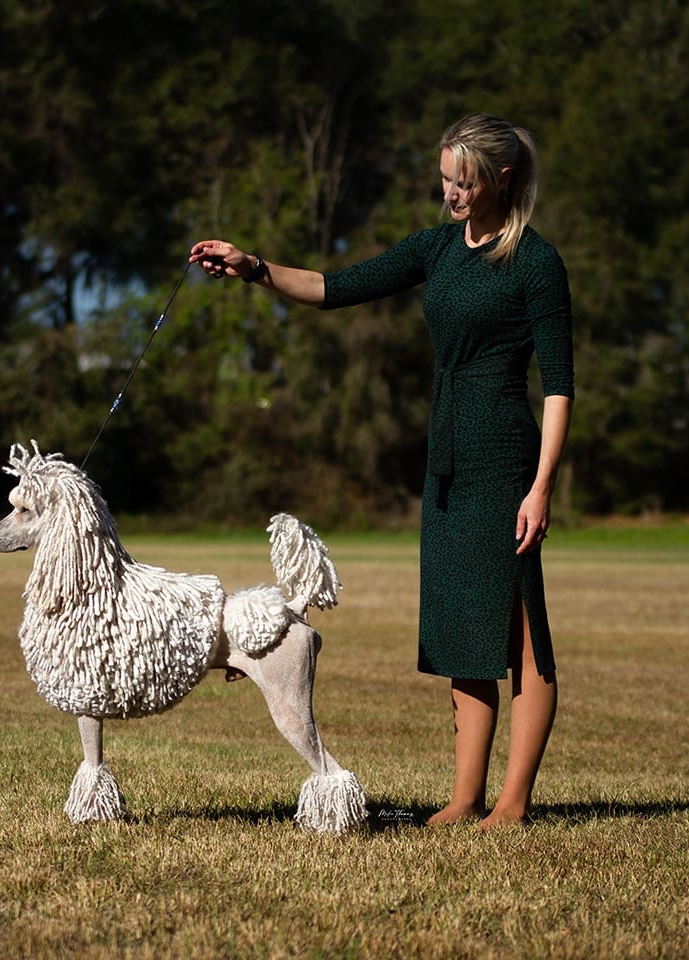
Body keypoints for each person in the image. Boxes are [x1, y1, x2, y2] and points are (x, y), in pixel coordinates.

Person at [189, 112, 573, 830]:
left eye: (465, 181)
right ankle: (465, 799)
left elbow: (559, 387)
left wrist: (541, 485)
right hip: (448, 462)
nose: (452, 193)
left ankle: (513, 803)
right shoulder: (436, 250)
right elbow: (338, 286)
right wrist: (255, 269)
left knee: (521, 632)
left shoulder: (537, 263)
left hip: (506, 462)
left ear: (503, 179)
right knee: (465, 630)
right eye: (446, 179)